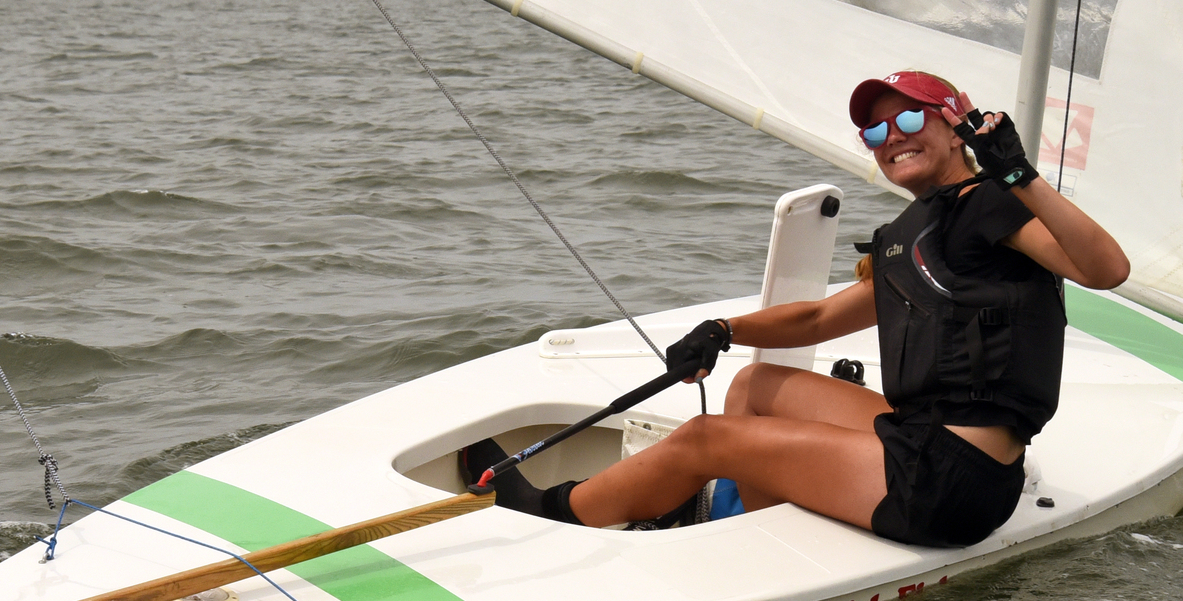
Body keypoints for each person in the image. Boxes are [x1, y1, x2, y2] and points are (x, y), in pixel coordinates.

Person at [464, 70, 1129, 547]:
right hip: (921, 440)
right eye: (874, 128)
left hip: (953, 481)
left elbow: (1107, 269)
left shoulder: (998, 204)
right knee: (755, 383)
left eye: (908, 118)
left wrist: (1020, 174)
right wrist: (723, 330)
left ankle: (554, 512)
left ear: (958, 125)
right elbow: (817, 320)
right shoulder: (916, 231)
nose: (889, 135)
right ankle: (765, 535)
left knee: (704, 441)